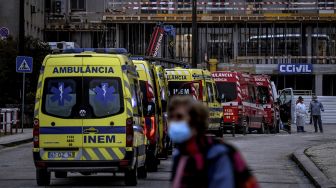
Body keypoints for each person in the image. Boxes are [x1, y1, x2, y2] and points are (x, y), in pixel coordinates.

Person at [168, 96, 258, 188]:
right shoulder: (180, 154)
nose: (174, 122)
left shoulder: (217, 154)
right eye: (171, 117)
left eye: (179, 117)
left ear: (195, 120)